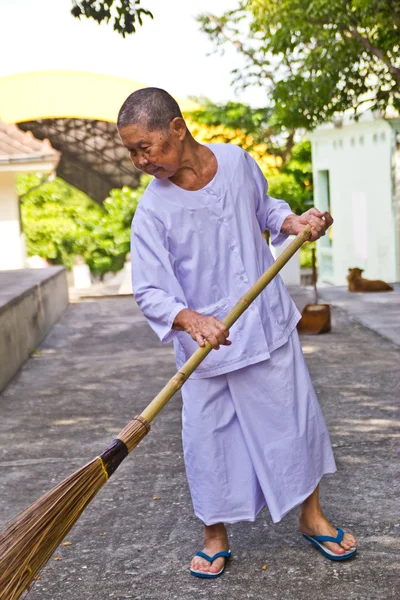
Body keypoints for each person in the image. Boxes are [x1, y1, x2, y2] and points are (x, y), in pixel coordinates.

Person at [118, 87, 357, 578]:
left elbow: (264, 209)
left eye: (147, 147)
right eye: (132, 152)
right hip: (206, 347)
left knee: (293, 422)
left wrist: (294, 221)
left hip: (265, 325)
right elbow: (149, 290)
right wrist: (191, 319)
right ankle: (215, 536)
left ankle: (311, 518)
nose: (141, 160)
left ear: (177, 128)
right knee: (209, 441)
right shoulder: (153, 211)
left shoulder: (236, 161)